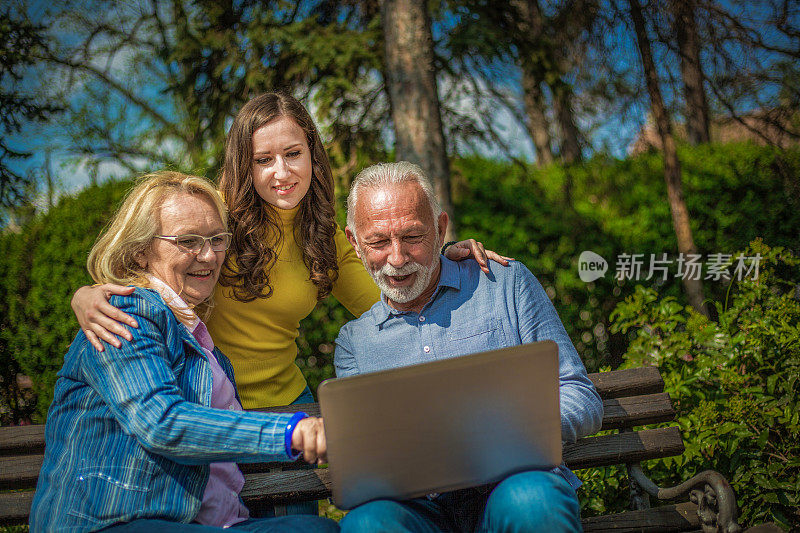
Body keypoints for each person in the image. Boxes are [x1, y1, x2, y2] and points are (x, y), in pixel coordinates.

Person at [71, 92, 510, 413]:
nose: (282, 172)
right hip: (207, 404)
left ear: (312, 156)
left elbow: (394, 301)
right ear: (245, 164)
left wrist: (436, 257)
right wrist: (87, 295)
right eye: (264, 160)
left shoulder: (326, 235)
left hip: (288, 406)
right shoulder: (216, 222)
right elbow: (147, 269)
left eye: (293, 154)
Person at [30, 172, 338, 533]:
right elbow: (161, 422)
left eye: (217, 239)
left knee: (315, 530)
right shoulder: (125, 313)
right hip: (118, 522)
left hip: (213, 523)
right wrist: (290, 432)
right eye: (188, 240)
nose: (208, 255)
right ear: (141, 251)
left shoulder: (203, 343)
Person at [334, 162, 604, 533]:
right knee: (367, 525)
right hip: (415, 512)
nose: (397, 258)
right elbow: (362, 459)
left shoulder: (505, 284)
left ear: (441, 229)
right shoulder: (355, 344)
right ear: (353, 242)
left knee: (532, 501)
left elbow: (578, 393)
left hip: (511, 485)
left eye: (413, 237)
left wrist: (518, 428)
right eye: (378, 242)